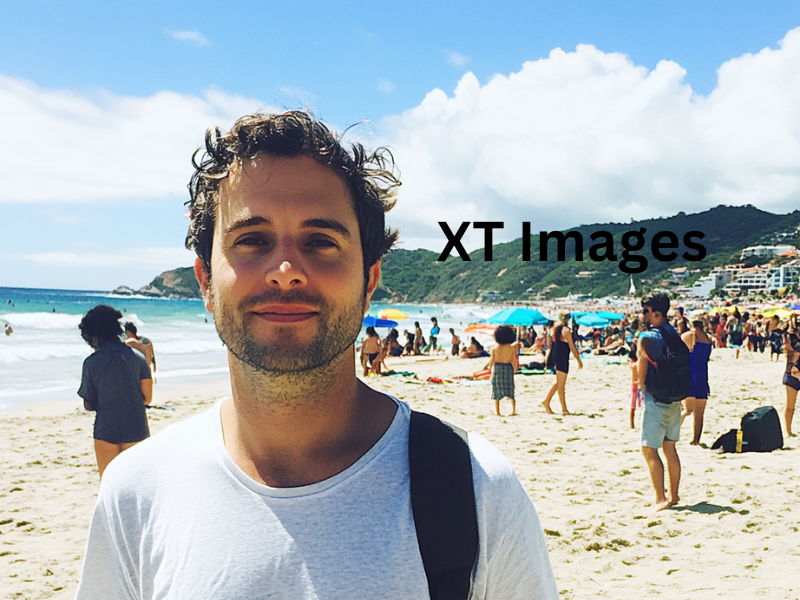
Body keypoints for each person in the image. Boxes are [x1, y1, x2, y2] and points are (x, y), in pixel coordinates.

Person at [75, 110, 557, 599]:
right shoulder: (137, 492)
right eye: (252, 240)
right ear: (204, 281)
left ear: (368, 282)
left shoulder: (475, 490)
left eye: (321, 242)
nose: (285, 271)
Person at [77, 305, 152, 478]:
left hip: (106, 430)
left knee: (109, 486)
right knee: (137, 484)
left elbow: (88, 404)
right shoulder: (138, 358)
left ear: (94, 338)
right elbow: (147, 398)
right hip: (136, 428)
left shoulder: (91, 363)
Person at [637, 293, 682, 512]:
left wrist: (641, 387)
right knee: (670, 448)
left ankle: (659, 498)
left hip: (657, 398)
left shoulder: (648, 337)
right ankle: (674, 495)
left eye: (645, 311)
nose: (642, 314)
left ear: (656, 313)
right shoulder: (673, 333)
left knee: (649, 450)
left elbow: (642, 368)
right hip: (675, 397)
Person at [542, 313, 583, 414]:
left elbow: (551, 345)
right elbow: (572, 346)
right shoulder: (565, 330)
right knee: (561, 385)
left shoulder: (553, 329)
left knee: (557, 382)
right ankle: (564, 409)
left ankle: (546, 401)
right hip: (562, 356)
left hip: (555, 355)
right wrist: (578, 360)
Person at [680, 318, 713, 445]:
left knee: (687, 410)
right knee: (699, 414)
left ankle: (672, 434)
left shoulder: (689, 336)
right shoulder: (709, 338)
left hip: (690, 375)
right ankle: (696, 440)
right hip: (703, 377)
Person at [489, 325, 520, 417]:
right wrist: (515, 369)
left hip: (498, 368)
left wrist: (490, 369)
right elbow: (513, 359)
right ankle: (513, 410)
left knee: (497, 389)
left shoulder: (494, 348)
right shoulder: (511, 348)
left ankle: (498, 411)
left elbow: (492, 360)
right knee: (510, 388)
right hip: (508, 368)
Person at [783, 316, 800, 437]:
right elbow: (789, 350)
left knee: (790, 406)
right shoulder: (790, 337)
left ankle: (788, 431)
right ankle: (788, 431)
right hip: (791, 373)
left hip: (793, 371)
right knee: (790, 406)